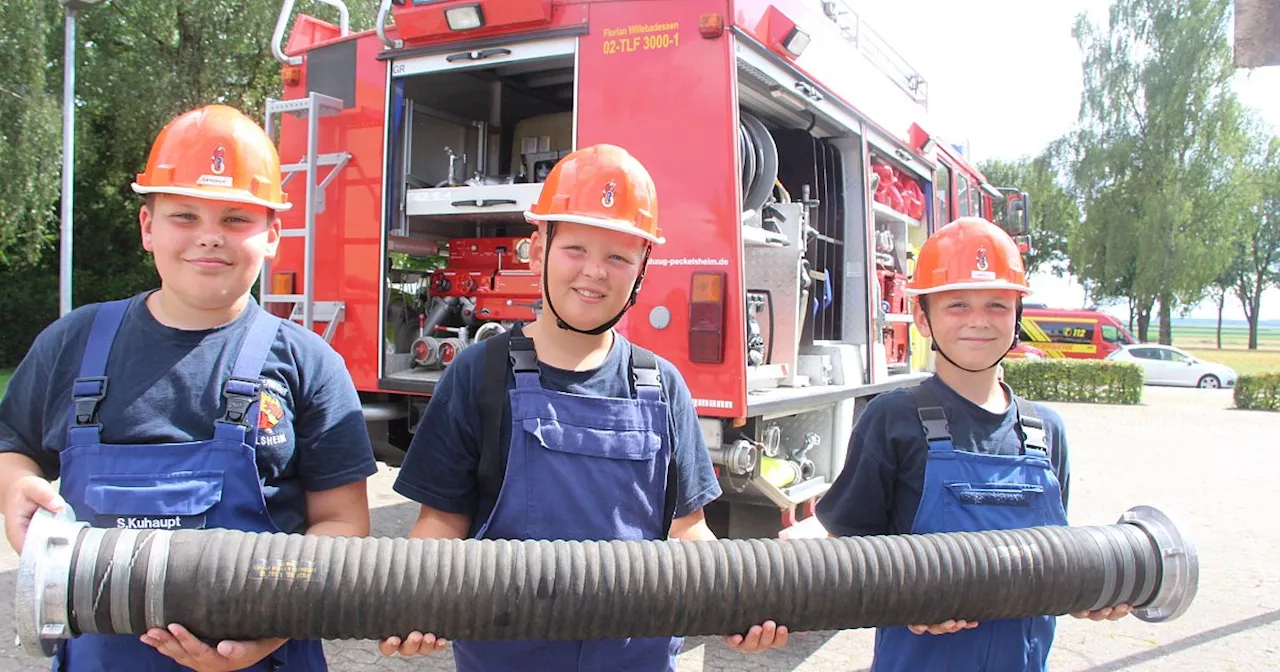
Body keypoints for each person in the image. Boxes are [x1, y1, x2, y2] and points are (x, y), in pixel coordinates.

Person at [379, 144, 788, 670]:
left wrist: (740, 603)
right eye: (576, 248)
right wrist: (413, 600)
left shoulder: (664, 387)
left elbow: (687, 531)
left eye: (618, 255)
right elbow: (440, 525)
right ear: (536, 249)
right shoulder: (479, 375)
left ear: (642, 268)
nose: (595, 272)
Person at [0, 104, 377, 672]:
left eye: (234, 219)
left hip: (266, 656)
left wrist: (273, 630)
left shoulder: (306, 362)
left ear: (273, 234)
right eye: (184, 216)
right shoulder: (72, 343)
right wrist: (15, 487)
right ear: (148, 228)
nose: (208, 239)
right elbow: (14, 448)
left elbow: (344, 524)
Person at [815, 217, 1129, 672]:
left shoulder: (1046, 433)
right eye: (957, 304)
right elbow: (848, 558)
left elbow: (1054, 561)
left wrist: (1086, 593)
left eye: (997, 305)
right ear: (922, 318)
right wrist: (904, 602)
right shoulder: (893, 419)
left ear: (1018, 315)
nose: (979, 321)